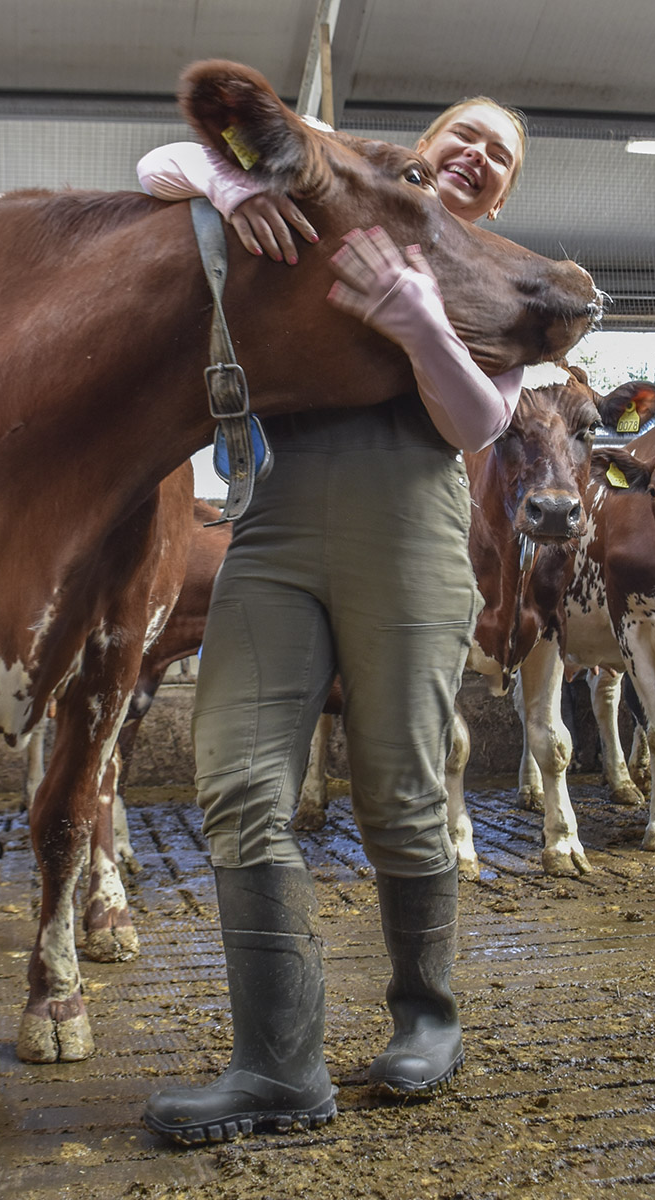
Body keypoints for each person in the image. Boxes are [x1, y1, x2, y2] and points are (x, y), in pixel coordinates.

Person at [137, 97, 528, 1145]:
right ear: (427, 146)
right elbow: (161, 156)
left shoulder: (491, 271)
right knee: (237, 778)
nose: (478, 156)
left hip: (411, 532)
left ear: (503, 190)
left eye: (501, 155)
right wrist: (232, 186)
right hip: (269, 530)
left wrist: (416, 316)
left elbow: (480, 420)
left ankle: (426, 1022)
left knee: (400, 789)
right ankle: (277, 1068)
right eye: (467, 135)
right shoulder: (340, 205)